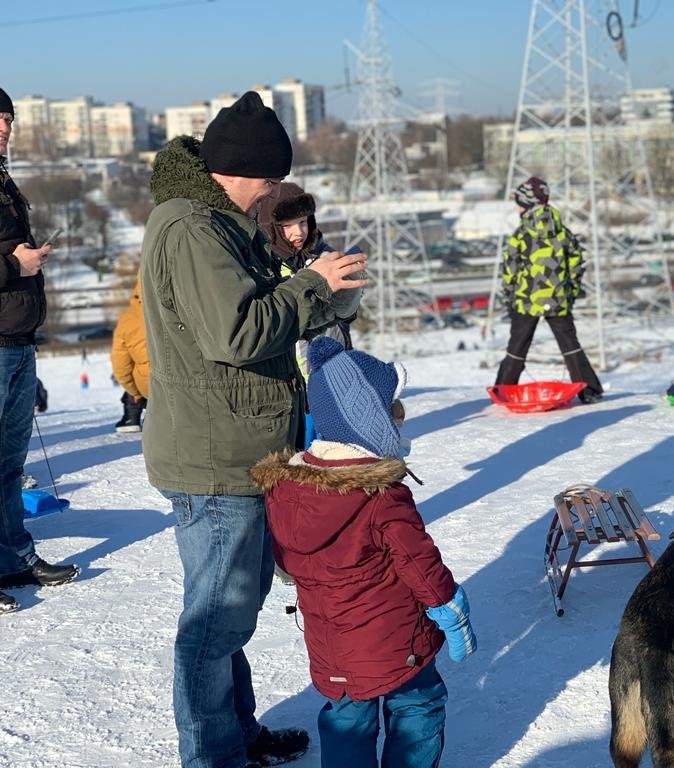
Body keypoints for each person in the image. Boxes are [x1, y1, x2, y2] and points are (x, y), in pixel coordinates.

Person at [140, 91, 368, 768]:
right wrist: (311, 286)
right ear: (243, 171)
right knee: (214, 623)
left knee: (231, 614)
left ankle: (235, 734)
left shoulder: (219, 223)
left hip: (243, 447)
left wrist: (328, 296)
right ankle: (213, 756)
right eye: (270, 179)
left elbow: (264, 308)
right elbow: (236, 333)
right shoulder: (192, 230)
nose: (273, 193)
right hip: (215, 458)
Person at [252, 337, 477, 768]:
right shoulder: (381, 496)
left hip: (331, 647)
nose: (399, 431)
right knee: (418, 705)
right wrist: (450, 606)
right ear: (369, 422)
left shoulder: (287, 489)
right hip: (396, 642)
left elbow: (285, 558)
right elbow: (418, 563)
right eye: (393, 419)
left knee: (347, 719)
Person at [0, 86, 79, 615]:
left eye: (8, 118)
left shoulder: (5, 182)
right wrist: (15, 265)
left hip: (17, 340)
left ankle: (13, 557)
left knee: (9, 463)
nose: (4, 128)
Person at [256, 182, 355, 451]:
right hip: (291, 383)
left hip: (332, 372)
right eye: (287, 226)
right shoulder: (266, 268)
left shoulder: (323, 256)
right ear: (270, 227)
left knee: (333, 453)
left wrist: (349, 292)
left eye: (303, 222)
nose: (299, 232)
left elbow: (344, 316)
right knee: (301, 453)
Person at [495, 176, 603, 404]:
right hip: (558, 298)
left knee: (517, 346)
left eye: (520, 204)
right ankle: (589, 391)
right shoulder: (563, 232)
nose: (518, 209)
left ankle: (502, 391)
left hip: (526, 299)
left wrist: (509, 296)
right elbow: (576, 263)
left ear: (528, 204)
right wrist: (570, 292)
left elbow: (510, 268)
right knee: (570, 345)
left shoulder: (521, 234)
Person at [110, 274, 148, 433]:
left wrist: (134, 392)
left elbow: (121, 367)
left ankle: (132, 414)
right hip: (195, 378)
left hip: (152, 385)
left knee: (137, 370)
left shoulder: (128, 318)